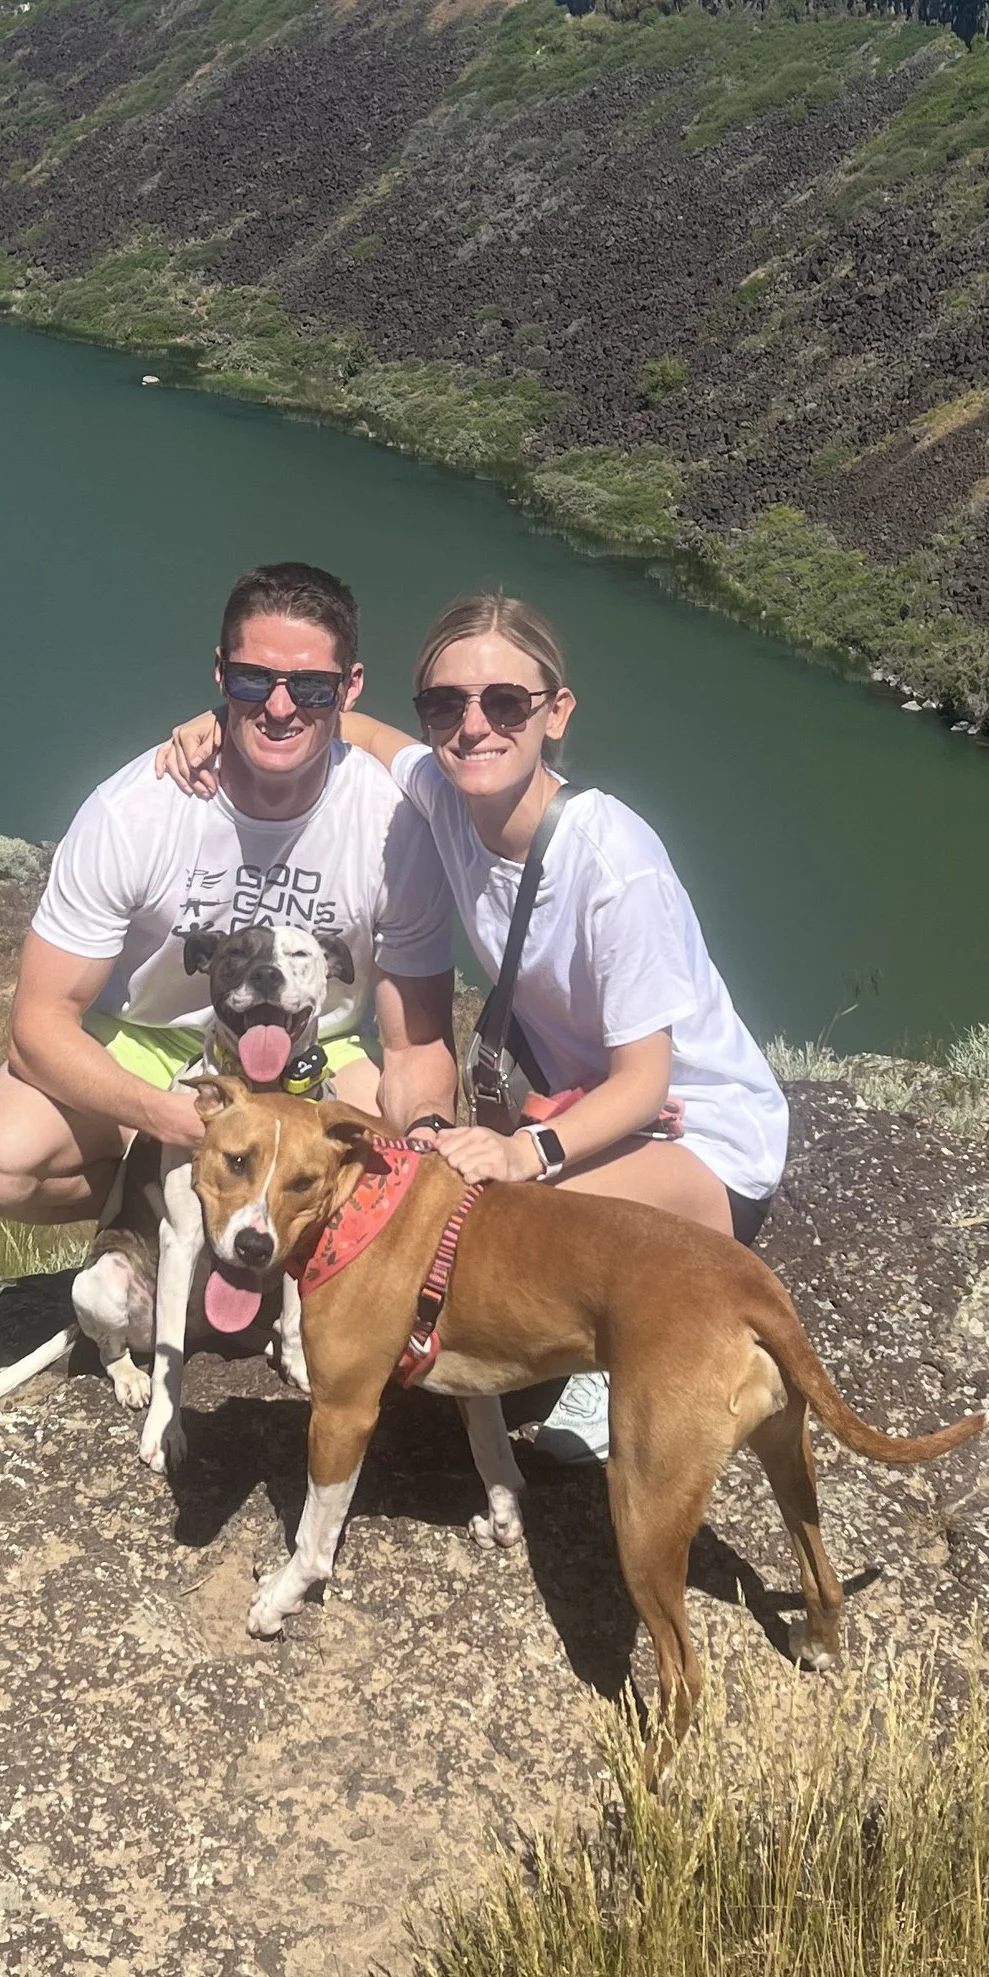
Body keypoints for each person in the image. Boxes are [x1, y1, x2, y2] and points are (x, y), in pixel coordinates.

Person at [160, 588, 788, 1463]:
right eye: (445, 704)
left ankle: (613, 1358)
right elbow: (354, 726)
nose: (473, 727)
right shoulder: (449, 794)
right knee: (387, 1162)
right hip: (590, 1104)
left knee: (491, 1224)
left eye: (505, 703)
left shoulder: (616, 865)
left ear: (555, 713)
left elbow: (647, 1081)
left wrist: (524, 1151)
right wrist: (220, 719)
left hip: (700, 1137)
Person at [0, 562, 458, 1237]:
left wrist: (427, 1129)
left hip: (315, 1047)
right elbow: (38, 1025)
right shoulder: (134, 810)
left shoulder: (394, 824)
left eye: (311, 686)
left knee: (407, 1175)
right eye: (255, 680)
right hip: (145, 1043)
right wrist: (157, 1115)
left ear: (350, 689)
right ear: (221, 674)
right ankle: (157, 1209)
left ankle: (286, 1235)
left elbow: (414, 1044)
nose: (280, 707)